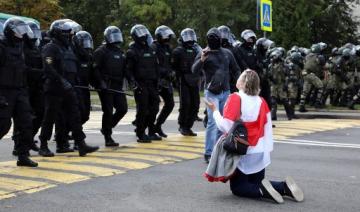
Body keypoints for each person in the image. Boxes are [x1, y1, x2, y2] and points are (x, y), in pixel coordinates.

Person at [205, 69, 304, 203]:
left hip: (242, 150)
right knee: (256, 182)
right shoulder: (261, 101)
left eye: (240, 77)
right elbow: (267, 127)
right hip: (260, 151)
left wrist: (215, 111)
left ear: (244, 83)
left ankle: (263, 191)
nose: (237, 79)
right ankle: (283, 187)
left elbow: (226, 126)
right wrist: (266, 149)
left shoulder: (236, 98)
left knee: (238, 188)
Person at [39, 20, 99, 157]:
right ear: (57, 34)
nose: (68, 36)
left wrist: (74, 83)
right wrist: (61, 81)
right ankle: (43, 145)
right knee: (50, 117)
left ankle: (81, 144)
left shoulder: (69, 48)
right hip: (54, 88)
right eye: (65, 34)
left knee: (75, 116)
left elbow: (75, 68)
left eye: (69, 34)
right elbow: (48, 68)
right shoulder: (50, 48)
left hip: (70, 88)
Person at [192, 27, 241, 163]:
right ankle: (208, 153)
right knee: (213, 123)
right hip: (211, 93)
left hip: (226, 92)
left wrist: (241, 84)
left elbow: (236, 70)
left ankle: (219, 150)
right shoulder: (204, 53)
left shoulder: (227, 53)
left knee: (224, 122)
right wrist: (201, 60)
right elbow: (194, 71)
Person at [0, 17, 38, 167]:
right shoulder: (1, 47)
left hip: (20, 90)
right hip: (4, 91)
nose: (22, 35)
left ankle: (23, 156)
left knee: (27, 124)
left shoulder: (20, 47)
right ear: (10, 32)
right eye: (19, 31)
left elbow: (22, 69)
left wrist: (40, 73)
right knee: (3, 125)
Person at [93, 26, 128, 146]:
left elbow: (124, 69)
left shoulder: (120, 52)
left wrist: (130, 80)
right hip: (105, 85)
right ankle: (108, 137)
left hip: (117, 85)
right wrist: (100, 82)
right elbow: (95, 69)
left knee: (123, 109)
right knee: (108, 110)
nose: (116, 39)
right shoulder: (100, 51)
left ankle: (106, 128)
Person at [126, 24, 161, 143]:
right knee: (143, 110)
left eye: (144, 32)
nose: (143, 35)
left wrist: (158, 81)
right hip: (140, 84)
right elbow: (128, 70)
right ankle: (141, 133)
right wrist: (133, 83)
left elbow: (156, 67)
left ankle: (151, 131)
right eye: (140, 33)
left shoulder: (151, 50)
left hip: (152, 83)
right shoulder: (132, 51)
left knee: (155, 107)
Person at [172, 28, 201, 137]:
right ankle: (182, 126)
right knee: (186, 104)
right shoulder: (177, 51)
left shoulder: (196, 51)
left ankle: (188, 126)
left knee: (196, 104)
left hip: (194, 80)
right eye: (187, 37)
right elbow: (173, 67)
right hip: (183, 80)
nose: (190, 40)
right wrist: (176, 79)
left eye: (191, 37)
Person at [152, 25, 176, 138]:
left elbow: (171, 63)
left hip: (166, 81)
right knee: (153, 106)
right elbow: (153, 65)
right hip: (156, 80)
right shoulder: (154, 47)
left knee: (170, 104)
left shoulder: (168, 48)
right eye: (165, 36)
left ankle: (158, 125)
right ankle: (149, 128)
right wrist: (165, 72)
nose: (167, 38)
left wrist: (172, 73)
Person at [299, 43, 326, 112]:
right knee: (321, 87)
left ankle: (301, 105)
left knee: (305, 91)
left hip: (305, 74)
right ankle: (317, 103)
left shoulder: (307, 56)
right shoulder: (318, 57)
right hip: (312, 74)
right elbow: (323, 65)